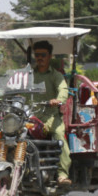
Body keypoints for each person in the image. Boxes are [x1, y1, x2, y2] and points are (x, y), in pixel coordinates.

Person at [32, 40, 72, 186]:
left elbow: (63, 89)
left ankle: (62, 174)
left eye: (43, 54)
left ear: (49, 56)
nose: (39, 57)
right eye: (37, 55)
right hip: (31, 116)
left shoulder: (56, 75)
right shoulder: (29, 75)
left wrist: (58, 99)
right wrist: (1, 98)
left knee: (59, 136)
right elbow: (16, 87)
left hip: (50, 116)